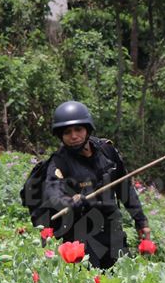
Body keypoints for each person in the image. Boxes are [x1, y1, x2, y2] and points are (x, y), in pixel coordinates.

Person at [42, 101, 151, 269]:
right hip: (80, 238)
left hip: (113, 231)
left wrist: (141, 221)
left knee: (123, 282)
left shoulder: (107, 151)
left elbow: (125, 188)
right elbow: (53, 193)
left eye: (78, 129)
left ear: (87, 129)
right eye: (67, 132)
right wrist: (70, 201)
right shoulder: (58, 163)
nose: (73, 136)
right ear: (60, 136)